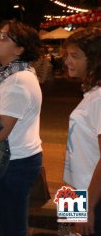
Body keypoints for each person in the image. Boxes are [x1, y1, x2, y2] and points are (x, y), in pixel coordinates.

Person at [0, 20, 43, 236]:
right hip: (16, 159)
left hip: (13, 163)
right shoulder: (12, 76)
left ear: (20, 48)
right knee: (8, 221)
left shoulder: (17, 82)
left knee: (9, 227)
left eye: (4, 36)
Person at [62, 26, 101, 236]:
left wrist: (88, 208)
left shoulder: (99, 98)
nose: (67, 61)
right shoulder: (91, 95)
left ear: (94, 59)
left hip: (92, 198)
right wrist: (70, 205)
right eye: (67, 55)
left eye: (75, 56)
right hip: (78, 193)